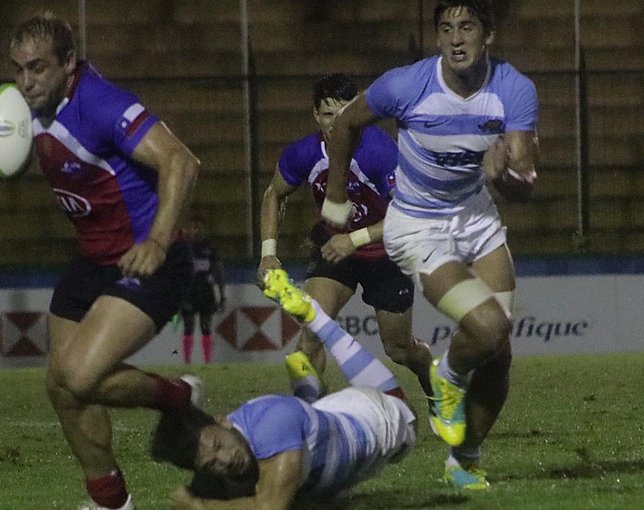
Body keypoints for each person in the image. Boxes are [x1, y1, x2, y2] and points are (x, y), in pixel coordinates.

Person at [0, 12, 202, 510]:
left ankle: (179, 399)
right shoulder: (28, 104)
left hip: (147, 261)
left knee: (78, 374)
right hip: (91, 262)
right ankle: (111, 502)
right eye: (18, 69)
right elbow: (29, 146)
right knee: (63, 388)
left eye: (37, 68)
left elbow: (182, 160)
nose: (26, 82)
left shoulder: (100, 103)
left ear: (68, 64)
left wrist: (158, 242)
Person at [320, 0, 539, 490]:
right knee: (487, 327)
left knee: (499, 350)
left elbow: (526, 185)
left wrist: (503, 176)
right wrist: (335, 196)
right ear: (436, 38)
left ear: (489, 36)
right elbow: (345, 125)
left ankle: (465, 459)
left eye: (467, 27)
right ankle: (449, 377)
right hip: (417, 227)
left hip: (478, 221)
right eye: (446, 28)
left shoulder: (514, 90)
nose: (456, 38)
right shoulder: (405, 85)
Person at [152, 269, 417, 509]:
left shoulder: (271, 424)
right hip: (321, 418)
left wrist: (200, 507)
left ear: (223, 420)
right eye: (211, 464)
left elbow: (270, 508)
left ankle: (317, 321)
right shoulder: (213, 457)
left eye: (219, 445)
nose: (225, 459)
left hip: (375, 419)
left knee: (406, 414)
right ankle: (308, 394)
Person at [258, 73, 433, 403]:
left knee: (399, 349)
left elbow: (409, 214)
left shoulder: (381, 153)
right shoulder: (304, 153)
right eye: (327, 114)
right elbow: (273, 194)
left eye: (343, 113)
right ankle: (308, 420)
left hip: (388, 253)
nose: (335, 122)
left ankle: (430, 374)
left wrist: (355, 239)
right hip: (334, 248)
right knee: (312, 328)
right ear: (315, 116)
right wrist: (268, 253)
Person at [177, 216, 226, 364]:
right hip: (188, 292)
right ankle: (187, 360)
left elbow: (219, 271)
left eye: (199, 228)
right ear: (189, 229)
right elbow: (177, 273)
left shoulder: (210, 248)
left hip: (205, 290)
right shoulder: (184, 248)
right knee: (188, 326)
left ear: (204, 230)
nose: (196, 231)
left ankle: (207, 361)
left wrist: (222, 295)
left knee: (206, 326)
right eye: (194, 227)